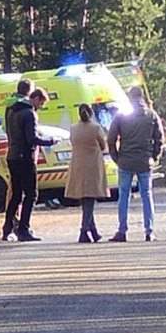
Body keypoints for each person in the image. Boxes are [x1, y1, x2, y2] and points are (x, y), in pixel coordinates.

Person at [107, 85, 164, 242]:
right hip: (145, 161)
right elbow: (159, 139)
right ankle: (149, 231)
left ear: (129, 98)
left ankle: (122, 231)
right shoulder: (151, 115)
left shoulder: (121, 116)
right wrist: (154, 156)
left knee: (123, 196)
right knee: (146, 195)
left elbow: (111, 139)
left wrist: (116, 158)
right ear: (143, 97)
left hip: (125, 161)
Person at [2, 81, 52, 242]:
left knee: (16, 194)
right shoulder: (29, 114)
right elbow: (32, 138)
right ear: (35, 98)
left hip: (12, 155)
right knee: (31, 194)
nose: (40, 107)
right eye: (41, 103)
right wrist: (49, 141)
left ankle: (7, 228)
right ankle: (24, 229)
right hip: (25, 157)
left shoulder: (11, 110)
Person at [65, 103, 109, 243]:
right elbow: (103, 146)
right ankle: (84, 230)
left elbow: (73, 143)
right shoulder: (96, 128)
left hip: (77, 164)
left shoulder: (73, 128)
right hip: (92, 165)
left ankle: (93, 231)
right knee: (90, 196)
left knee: (85, 197)